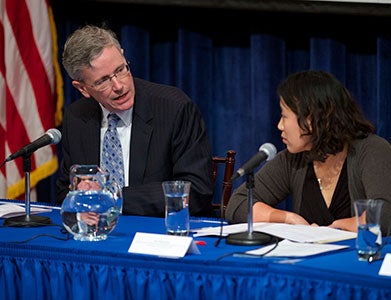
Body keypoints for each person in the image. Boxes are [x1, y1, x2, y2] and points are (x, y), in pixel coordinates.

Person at [56, 24, 214, 217]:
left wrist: (113, 198)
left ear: (123, 55)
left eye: (121, 69)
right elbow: (66, 190)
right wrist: (79, 197)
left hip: (157, 233)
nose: (119, 85)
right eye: (102, 81)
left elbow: (196, 191)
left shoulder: (174, 109)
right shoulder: (77, 117)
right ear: (82, 88)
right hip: (97, 234)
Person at [225, 70, 391, 233]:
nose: (279, 126)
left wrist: (335, 229)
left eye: (284, 116)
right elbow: (238, 204)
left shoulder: (372, 150)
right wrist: (287, 218)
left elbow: (384, 216)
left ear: (311, 119)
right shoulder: (293, 159)